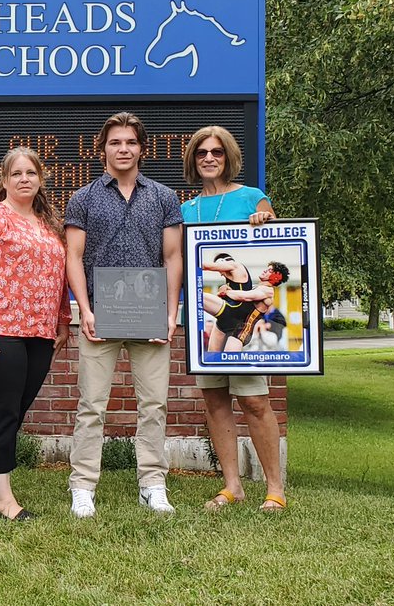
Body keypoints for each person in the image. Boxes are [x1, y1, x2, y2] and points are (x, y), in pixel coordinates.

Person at [64, 112, 183, 518]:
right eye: (115, 142)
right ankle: (82, 487)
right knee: (91, 406)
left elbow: (172, 257)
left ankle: (152, 484)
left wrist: (170, 313)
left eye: (131, 142)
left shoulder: (165, 197)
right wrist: (85, 310)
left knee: (154, 405)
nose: (123, 149)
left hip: (150, 319)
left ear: (142, 149)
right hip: (101, 318)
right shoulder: (83, 198)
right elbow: (73, 257)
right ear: (103, 149)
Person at [0, 146, 71, 521]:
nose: (24, 179)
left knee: (11, 410)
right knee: (3, 410)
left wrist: (62, 320)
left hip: (38, 332)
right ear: (4, 181)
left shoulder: (49, 224)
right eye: (16, 174)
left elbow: (59, 278)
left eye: (31, 173)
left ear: (41, 179)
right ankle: (4, 499)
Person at [181, 124, 286, 512]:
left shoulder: (252, 198)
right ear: (194, 159)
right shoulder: (185, 210)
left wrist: (265, 221)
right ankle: (232, 486)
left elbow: (275, 228)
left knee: (254, 400)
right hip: (207, 317)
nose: (209, 158)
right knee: (214, 400)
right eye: (202, 152)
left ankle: (275, 488)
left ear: (229, 157)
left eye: (217, 152)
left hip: (242, 318)